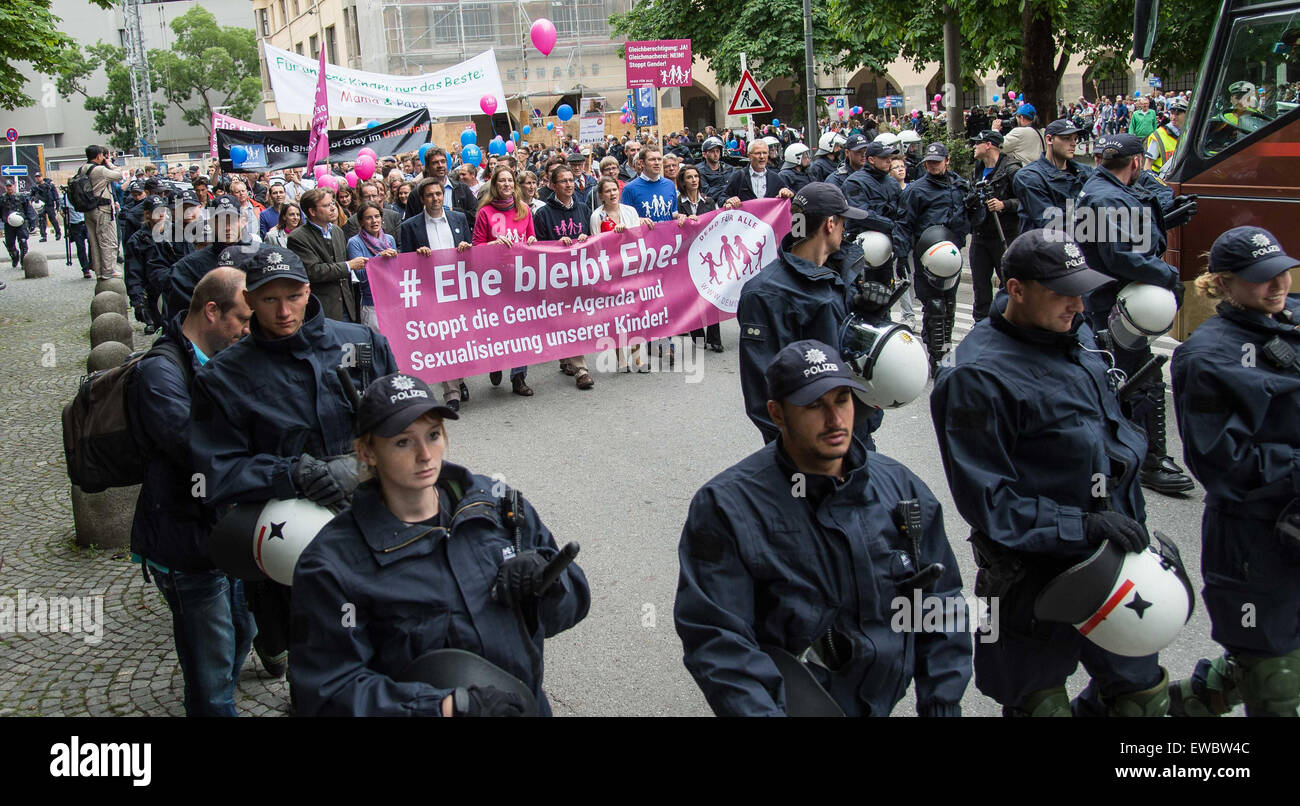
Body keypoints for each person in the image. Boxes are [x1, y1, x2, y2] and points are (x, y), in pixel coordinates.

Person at [931, 230, 1169, 717]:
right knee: (1038, 706)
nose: (1079, 305)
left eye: (1081, 290)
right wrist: (1080, 526)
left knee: (1140, 700)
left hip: (1115, 560)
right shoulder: (976, 376)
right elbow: (990, 502)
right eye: (1063, 292)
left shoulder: (1071, 332)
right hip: (1033, 579)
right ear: (1016, 289)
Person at [676, 339, 971, 716]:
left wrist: (941, 705)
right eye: (815, 405)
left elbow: (942, 603)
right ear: (777, 414)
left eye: (843, 400)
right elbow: (718, 640)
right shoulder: (726, 507)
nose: (835, 420)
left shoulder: (901, 488)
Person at [288, 372, 590, 716]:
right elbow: (327, 691)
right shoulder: (332, 564)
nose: (425, 455)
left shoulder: (496, 504)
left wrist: (548, 583)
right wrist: (445, 708)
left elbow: (574, 604)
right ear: (367, 452)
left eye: (432, 436)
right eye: (403, 442)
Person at [190, 244, 399, 685]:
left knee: (388, 646)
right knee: (314, 663)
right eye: (269, 300)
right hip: (291, 545)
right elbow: (215, 471)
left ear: (308, 291)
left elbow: (401, 417)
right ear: (248, 301)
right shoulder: (225, 377)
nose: (284, 311)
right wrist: (291, 474)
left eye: (293, 296)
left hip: (373, 524)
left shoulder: (358, 343)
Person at [1168, 227, 1300, 717]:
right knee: (1276, 679)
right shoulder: (1205, 356)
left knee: (1277, 660)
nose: (1277, 284)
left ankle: (1182, 704)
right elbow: (1222, 463)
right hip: (1254, 538)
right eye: (1260, 278)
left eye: (1281, 271)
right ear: (1223, 283)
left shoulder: (1294, 317)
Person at [128, 267, 255, 716]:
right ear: (212, 310)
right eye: (241, 319)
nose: (246, 329)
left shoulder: (222, 355)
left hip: (222, 531)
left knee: (243, 631)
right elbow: (192, 446)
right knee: (211, 666)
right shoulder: (160, 371)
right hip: (184, 541)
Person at [1074, 133, 1193, 496]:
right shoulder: (1106, 195)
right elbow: (1119, 255)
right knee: (1140, 380)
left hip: (1106, 296)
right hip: (1115, 300)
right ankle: (1149, 461)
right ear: (1138, 162)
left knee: (1120, 377)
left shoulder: (1101, 188)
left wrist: (1165, 217)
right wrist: (1168, 275)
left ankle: (1124, 454)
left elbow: (1127, 235)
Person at [738, 182, 883, 446]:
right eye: (842, 222)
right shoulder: (764, 293)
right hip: (811, 449)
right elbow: (763, 394)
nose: (845, 230)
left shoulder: (842, 273)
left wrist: (872, 317)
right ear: (829, 224)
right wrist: (804, 455)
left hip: (857, 432)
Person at [900, 142, 981, 375]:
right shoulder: (916, 190)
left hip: (952, 255)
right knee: (934, 307)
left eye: (937, 161)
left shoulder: (961, 186)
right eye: (929, 162)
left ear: (947, 161)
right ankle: (937, 357)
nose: (933, 165)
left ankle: (945, 350)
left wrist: (976, 207)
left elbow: (976, 221)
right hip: (926, 255)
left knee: (950, 306)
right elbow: (904, 224)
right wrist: (901, 255)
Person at [396, 179, 472, 411]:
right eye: (430, 195)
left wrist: (467, 249)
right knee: (441, 340)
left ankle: (459, 378)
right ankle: (452, 393)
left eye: (439, 194)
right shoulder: (410, 226)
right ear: (422, 199)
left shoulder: (459, 219)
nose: (436, 198)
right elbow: (405, 264)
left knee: (459, 338)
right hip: (431, 292)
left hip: (458, 287)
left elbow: (471, 252)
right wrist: (417, 256)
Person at [473, 166, 537, 396]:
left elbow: (532, 239)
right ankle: (495, 360)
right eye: (502, 181)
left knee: (521, 328)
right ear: (495, 185)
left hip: (520, 278)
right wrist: (493, 245)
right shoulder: (485, 213)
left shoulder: (524, 210)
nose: (507, 184)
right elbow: (476, 247)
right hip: (494, 280)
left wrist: (531, 239)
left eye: (510, 180)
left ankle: (519, 377)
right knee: (498, 327)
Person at [533, 164, 596, 391]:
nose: (569, 184)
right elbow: (538, 248)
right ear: (552, 185)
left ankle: (568, 359)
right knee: (566, 320)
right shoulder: (543, 214)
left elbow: (593, 239)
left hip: (579, 273)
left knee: (574, 320)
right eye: (563, 181)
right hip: (556, 277)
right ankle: (581, 370)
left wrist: (584, 237)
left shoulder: (582, 209)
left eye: (571, 180)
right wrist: (557, 245)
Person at [287, 187, 368, 323]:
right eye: (326, 205)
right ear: (312, 211)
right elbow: (313, 271)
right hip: (323, 308)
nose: (332, 208)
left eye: (332, 203)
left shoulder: (337, 231)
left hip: (347, 307)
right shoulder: (298, 237)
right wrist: (348, 266)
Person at [165, 195, 250, 319]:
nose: (227, 227)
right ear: (210, 223)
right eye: (220, 221)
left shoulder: (260, 256)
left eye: (231, 220)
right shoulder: (188, 268)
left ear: (243, 221)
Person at [968, 130, 1021, 322]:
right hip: (980, 234)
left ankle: (1007, 321)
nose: (974, 146)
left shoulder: (1012, 169)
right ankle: (981, 324)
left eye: (977, 143)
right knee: (980, 285)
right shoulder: (977, 168)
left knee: (1008, 282)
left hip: (1004, 234)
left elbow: (1025, 200)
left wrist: (1004, 205)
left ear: (988, 144)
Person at [1012, 118, 1092, 234]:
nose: (1073, 143)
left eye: (1075, 139)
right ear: (1049, 139)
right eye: (1067, 138)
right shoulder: (1028, 177)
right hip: (1044, 247)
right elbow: (1051, 222)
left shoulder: (1085, 172)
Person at [676, 165, 723, 353]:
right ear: (683, 181)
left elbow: (718, 222)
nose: (694, 180)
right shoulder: (678, 203)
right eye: (689, 177)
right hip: (687, 255)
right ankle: (697, 335)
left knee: (713, 295)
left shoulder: (709, 201)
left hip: (708, 252)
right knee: (693, 295)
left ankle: (715, 337)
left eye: (696, 176)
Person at [346, 202, 398, 332]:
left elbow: (396, 269)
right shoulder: (355, 242)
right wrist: (379, 258)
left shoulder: (389, 239)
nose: (374, 221)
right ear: (361, 222)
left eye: (377, 216)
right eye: (369, 218)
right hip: (372, 304)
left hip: (393, 300)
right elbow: (361, 275)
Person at [79, 145, 123, 280]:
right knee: (108, 240)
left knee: (94, 241)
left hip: (88, 209)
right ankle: (109, 270)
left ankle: (99, 271)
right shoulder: (100, 170)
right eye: (103, 155)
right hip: (102, 209)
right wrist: (109, 162)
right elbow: (119, 174)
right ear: (99, 156)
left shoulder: (82, 169)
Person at [622, 145, 689, 223]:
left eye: (659, 159)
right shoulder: (630, 188)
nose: (657, 163)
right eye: (652, 159)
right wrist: (638, 220)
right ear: (642, 163)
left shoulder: (670, 185)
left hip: (666, 233)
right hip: (644, 234)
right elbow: (624, 219)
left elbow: (673, 213)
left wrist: (679, 216)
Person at [722, 140, 795, 206]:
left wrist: (786, 192)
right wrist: (728, 200)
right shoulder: (739, 176)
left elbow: (791, 195)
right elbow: (722, 197)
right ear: (749, 156)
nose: (762, 157)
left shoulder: (774, 177)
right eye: (758, 153)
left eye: (765, 153)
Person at [1144, 96, 1187, 175]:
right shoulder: (1159, 135)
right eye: (1172, 113)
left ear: (1186, 114)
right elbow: (1148, 163)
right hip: (1161, 180)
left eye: (1178, 114)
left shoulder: (1189, 133)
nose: (1173, 117)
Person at [0, 179, 35, 269]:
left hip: (21, 224)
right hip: (8, 224)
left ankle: (23, 262)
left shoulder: (22, 197)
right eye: (7, 186)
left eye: (10, 186)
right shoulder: (2, 198)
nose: (9, 188)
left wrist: (32, 222)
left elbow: (29, 209)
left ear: (14, 186)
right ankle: (15, 257)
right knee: (10, 244)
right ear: (5, 187)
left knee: (23, 242)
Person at [61, 185, 93, 278]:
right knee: (80, 247)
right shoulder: (66, 197)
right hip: (75, 225)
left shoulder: (83, 194)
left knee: (92, 243)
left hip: (86, 222)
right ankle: (85, 269)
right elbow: (62, 210)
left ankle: (91, 262)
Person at [696, 137, 733, 205]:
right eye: (712, 151)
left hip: (729, 203)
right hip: (710, 206)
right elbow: (707, 192)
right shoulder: (698, 171)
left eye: (717, 151)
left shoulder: (729, 169)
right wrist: (726, 188)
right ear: (704, 154)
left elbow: (735, 187)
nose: (716, 154)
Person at [31, 173, 62, 241]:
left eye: (39, 177)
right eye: (36, 177)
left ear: (42, 177)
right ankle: (43, 236)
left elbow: (55, 194)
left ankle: (58, 233)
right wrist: (34, 199)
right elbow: (31, 196)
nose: (38, 178)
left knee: (53, 219)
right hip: (40, 205)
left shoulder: (49, 185)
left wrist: (57, 204)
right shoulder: (35, 187)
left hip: (49, 204)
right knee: (42, 221)